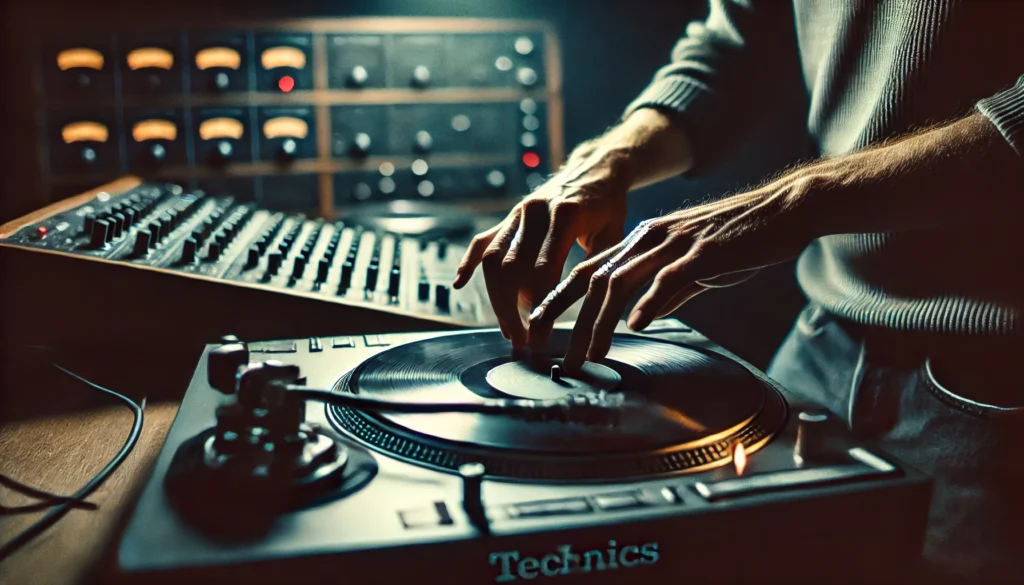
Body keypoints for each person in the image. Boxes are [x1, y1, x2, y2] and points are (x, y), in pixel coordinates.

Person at [453, 1, 1024, 582]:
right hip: (822, 347)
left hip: (994, 389)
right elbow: (734, 45)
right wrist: (609, 159)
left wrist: (799, 200)